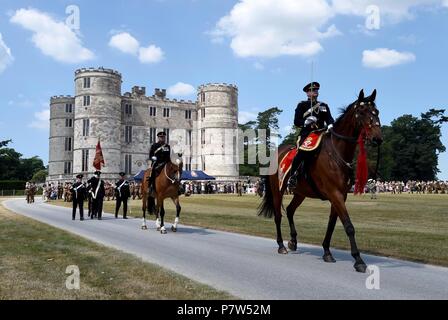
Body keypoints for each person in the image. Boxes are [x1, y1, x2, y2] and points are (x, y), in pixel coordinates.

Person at [288, 82, 334, 188]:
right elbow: (296, 121)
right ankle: (293, 176)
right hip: (307, 134)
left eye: (316, 90)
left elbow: (329, 118)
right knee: (302, 152)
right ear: (307, 93)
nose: (315, 92)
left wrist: (331, 125)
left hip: (321, 133)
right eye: (312, 90)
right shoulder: (302, 105)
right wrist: (306, 122)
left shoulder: (323, 105)